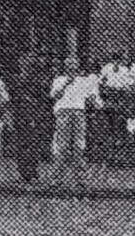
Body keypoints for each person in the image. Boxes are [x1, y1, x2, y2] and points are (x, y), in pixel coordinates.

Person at [50, 56, 101, 187]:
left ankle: (81, 178)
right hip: (63, 112)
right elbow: (55, 96)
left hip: (78, 113)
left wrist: (94, 100)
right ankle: (56, 178)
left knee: (79, 145)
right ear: (65, 67)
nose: (71, 67)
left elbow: (92, 97)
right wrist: (66, 84)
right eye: (69, 65)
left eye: (74, 65)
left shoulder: (83, 81)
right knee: (62, 145)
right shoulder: (59, 80)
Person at [12, 53, 47, 183]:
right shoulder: (18, 80)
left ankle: (31, 171)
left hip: (31, 116)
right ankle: (23, 172)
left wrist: (35, 115)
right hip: (21, 116)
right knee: (22, 144)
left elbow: (40, 100)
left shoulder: (36, 81)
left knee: (32, 144)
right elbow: (15, 99)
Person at [99, 52, 134, 167]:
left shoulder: (124, 70)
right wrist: (105, 92)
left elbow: (129, 84)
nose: (116, 62)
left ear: (120, 61)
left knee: (120, 127)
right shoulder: (106, 68)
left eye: (118, 60)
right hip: (109, 95)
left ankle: (120, 158)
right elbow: (101, 81)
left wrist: (124, 92)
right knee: (109, 128)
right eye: (114, 60)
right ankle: (109, 158)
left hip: (120, 95)